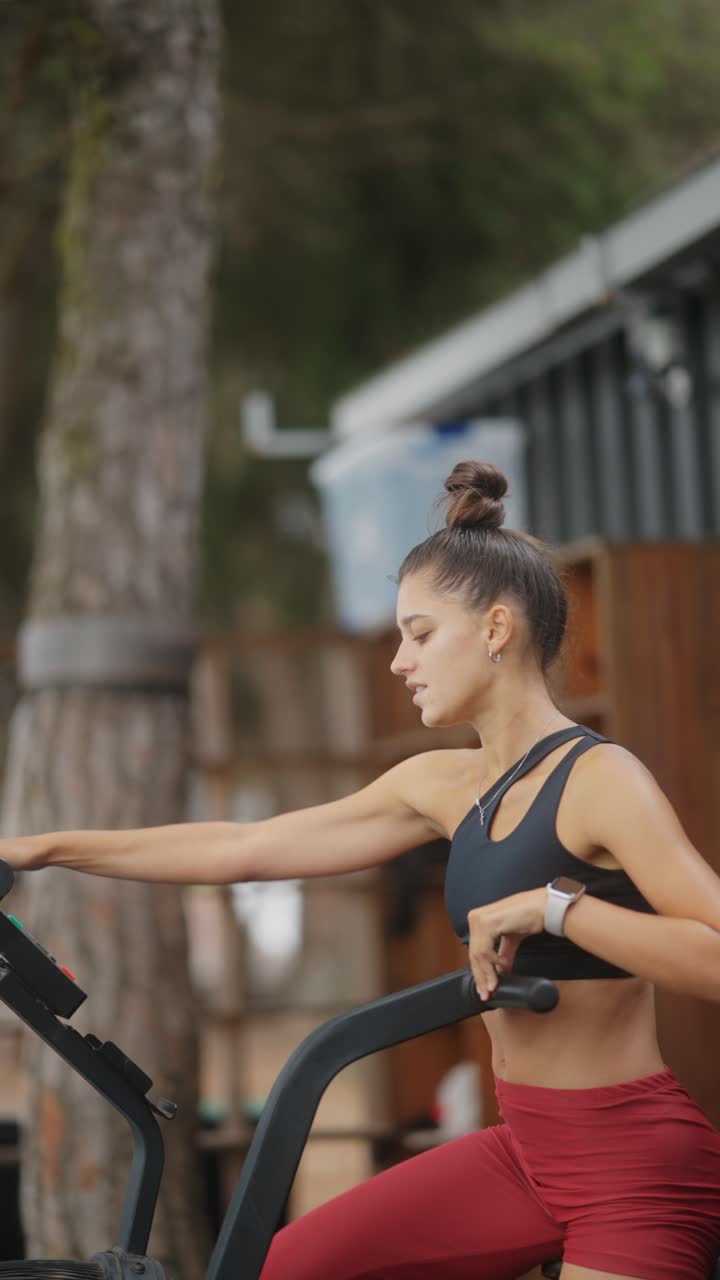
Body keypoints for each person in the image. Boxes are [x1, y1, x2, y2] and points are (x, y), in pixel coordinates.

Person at [4, 459, 720, 1280]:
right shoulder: (443, 785)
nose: (398, 661)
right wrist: (43, 849)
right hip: (525, 1151)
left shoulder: (600, 780)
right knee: (282, 1268)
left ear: (496, 629)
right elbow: (244, 848)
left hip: (634, 1167)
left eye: (420, 634)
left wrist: (559, 911)